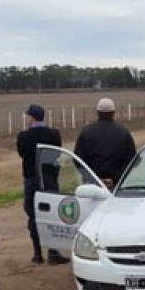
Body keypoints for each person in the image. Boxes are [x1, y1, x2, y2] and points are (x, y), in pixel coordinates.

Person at [16, 104, 70, 265]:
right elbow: (57, 153)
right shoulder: (53, 134)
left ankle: (37, 253)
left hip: (32, 178)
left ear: (32, 117)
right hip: (49, 178)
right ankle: (53, 252)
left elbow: (22, 154)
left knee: (33, 215)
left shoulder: (23, 136)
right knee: (51, 214)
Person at [74, 98, 136, 189]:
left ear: (97, 112)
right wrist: (115, 179)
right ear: (113, 112)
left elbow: (78, 159)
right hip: (117, 186)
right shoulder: (124, 132)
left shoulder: (86, 132)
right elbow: (131, 159)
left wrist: (92, 178)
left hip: (92, 186)